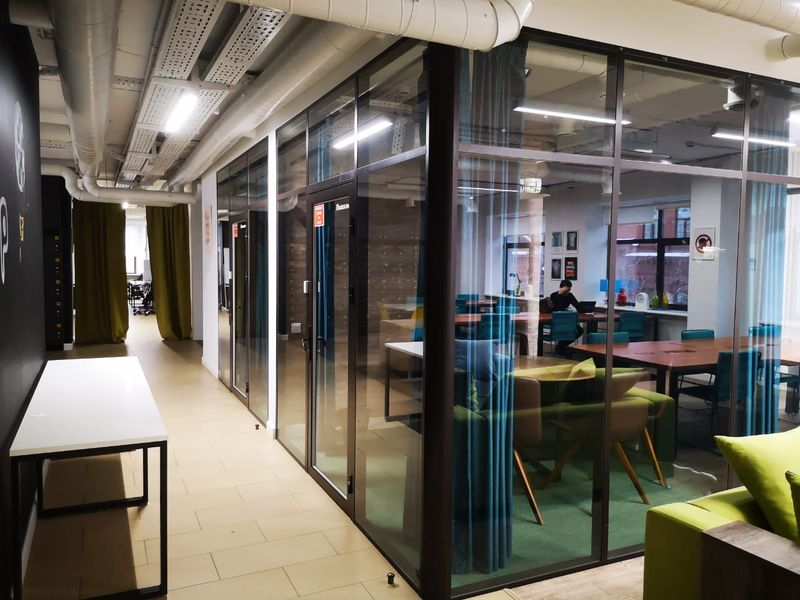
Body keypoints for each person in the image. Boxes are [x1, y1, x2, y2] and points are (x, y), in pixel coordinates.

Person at [549, 279, 583, 355]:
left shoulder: (569, 295)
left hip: (566, 320)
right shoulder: (553, 295)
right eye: (566, 290)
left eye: (569, 290)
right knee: (570, 330)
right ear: (561, 288)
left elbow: (578, 306)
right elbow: (554, 308)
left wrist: (585, 308)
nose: (568, 292)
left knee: (580, 330)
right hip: (556, 321)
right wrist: (560, 295)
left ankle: (561, 345)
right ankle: (561, 347)